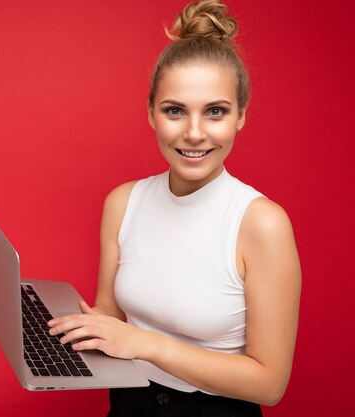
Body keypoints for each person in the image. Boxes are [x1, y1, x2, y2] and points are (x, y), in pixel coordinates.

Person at [48, 0, 301, 415]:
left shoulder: (262, 223)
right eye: (175, 111)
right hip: (129, 405)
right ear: (151, 113)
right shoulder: (123, 202)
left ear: (241, 116)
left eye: (215, 112)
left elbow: (269, 384)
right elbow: (109, 318)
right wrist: (55, 330)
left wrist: (148, 344)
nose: (195, 133)